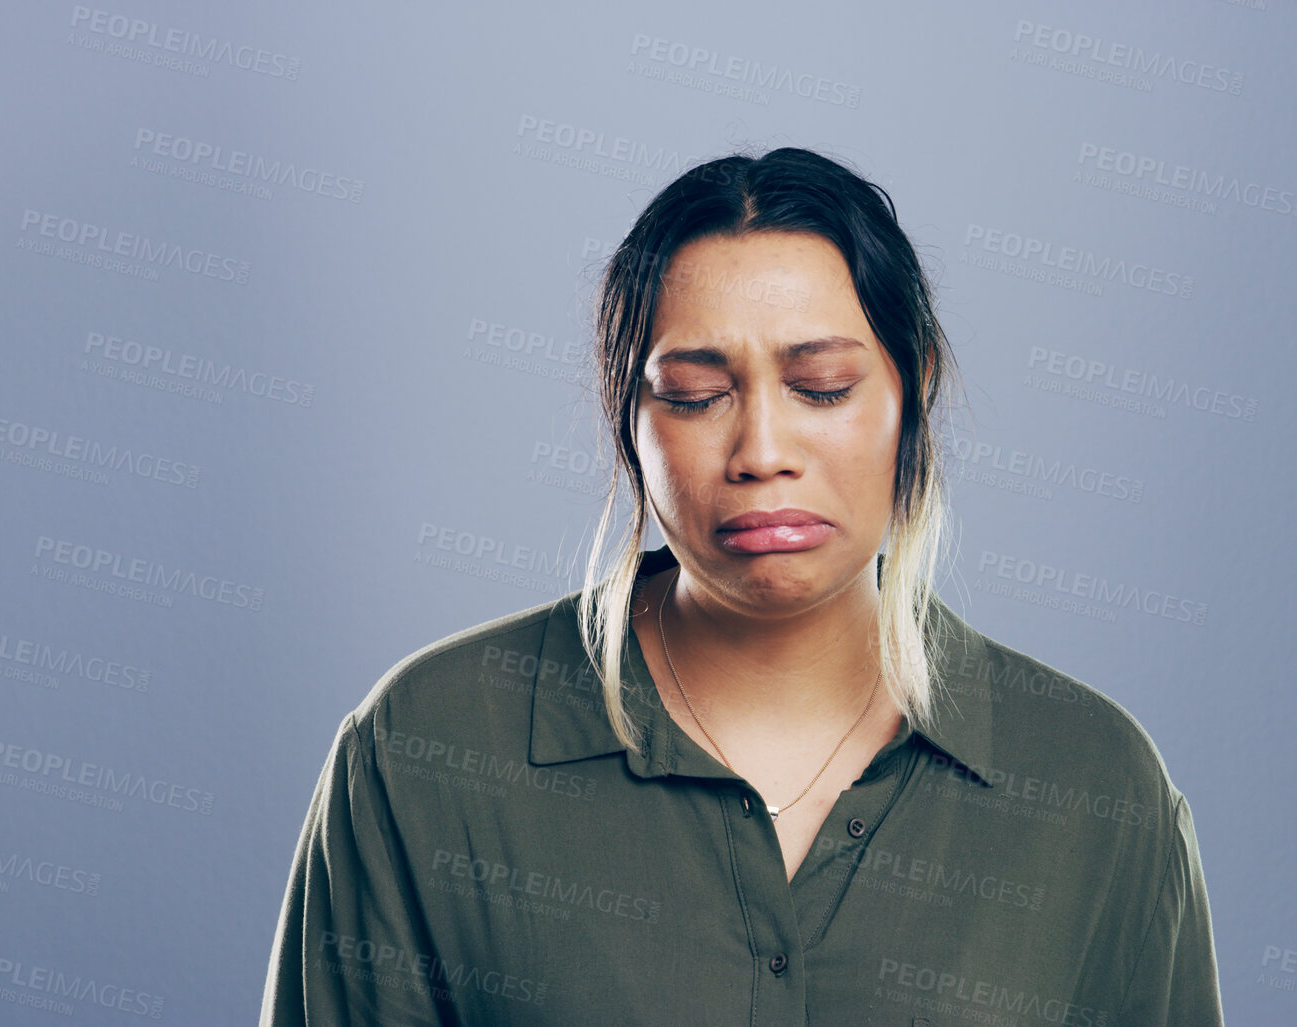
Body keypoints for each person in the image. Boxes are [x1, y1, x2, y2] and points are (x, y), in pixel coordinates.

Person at [262, 146, 1223, 1026]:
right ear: (626, 414)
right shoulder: (426, 752)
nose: (762, 452)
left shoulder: (1094, 791)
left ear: (912, 390)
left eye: (821, 388)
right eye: (695, 396)